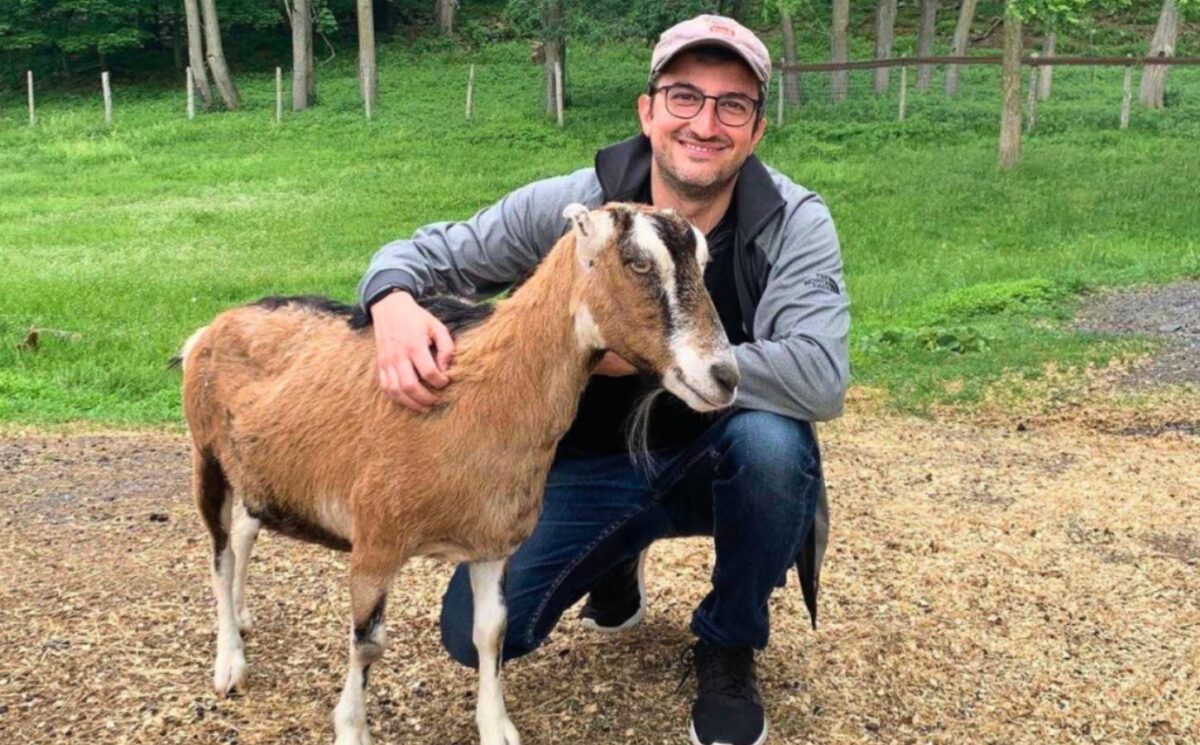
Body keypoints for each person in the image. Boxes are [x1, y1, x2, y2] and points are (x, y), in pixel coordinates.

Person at [358, 14, 849, 745]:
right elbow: (431, 252)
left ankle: (729, 641)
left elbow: (821, 375)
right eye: (684, 96)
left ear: (757, 128)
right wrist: (390, 299)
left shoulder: (791, 222)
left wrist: (669, 359)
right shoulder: (577, 210)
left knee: (775, 449)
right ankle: (613, 560)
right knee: (473, 637)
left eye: (732, 105)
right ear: (647, 111)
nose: (705, 123)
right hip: (585, 466)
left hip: (717, 454)